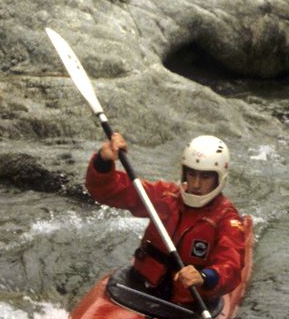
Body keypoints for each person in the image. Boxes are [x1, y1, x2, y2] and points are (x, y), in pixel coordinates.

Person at [86, 132, 247, 307]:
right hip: (141, 286)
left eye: (205, 177)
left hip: (188, 304)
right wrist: (103, 161)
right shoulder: (165, 196)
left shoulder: (226, 218)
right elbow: (108, 191)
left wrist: (204, 277)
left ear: (219, 179)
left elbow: (230, 265)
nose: (196, 184)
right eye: (191, 174)